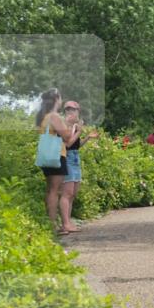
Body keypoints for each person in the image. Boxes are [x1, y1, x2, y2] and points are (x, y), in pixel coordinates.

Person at [35, 88, 73, 234]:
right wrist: (69, 123)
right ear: (57, 99)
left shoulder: (44, 117)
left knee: (51, 189)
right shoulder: (54, 117)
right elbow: (67, 137)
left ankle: (50, 223)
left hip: (47, 157)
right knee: (55, 191)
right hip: (56, 156)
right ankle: (52, 225)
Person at [59, 101, 97, 233]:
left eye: (73, 110)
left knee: (73, 193)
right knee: (67, 193)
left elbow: (76, 145)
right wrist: (79, 131)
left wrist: (87, 137)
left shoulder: (73, 125)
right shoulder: (64, 125)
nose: (71, 112)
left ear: (78, 111)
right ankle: (65, 224)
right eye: (68, 109)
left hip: (75, 158)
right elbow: (68, 144)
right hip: (67, 158)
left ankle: (68, 222)